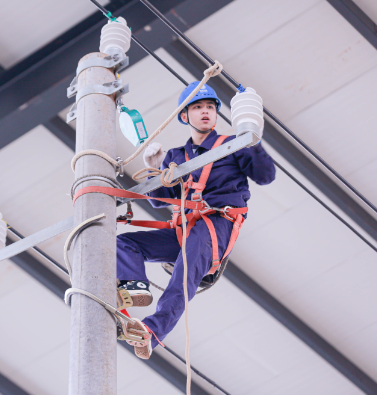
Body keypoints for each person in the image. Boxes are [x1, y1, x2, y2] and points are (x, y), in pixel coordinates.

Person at [117, 81, 276, 359]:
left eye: (210, 107)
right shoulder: (177, 156)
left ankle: (151, 332)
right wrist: (154, 170)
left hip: (216, 224)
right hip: (184, 229)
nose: (205, 112)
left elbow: (265, 176)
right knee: (125, 243)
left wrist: (252, 138)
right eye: (198, 107)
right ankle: (134, 285)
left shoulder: (232, 144)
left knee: (182, 279)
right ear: (185, 116)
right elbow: (158, 200)